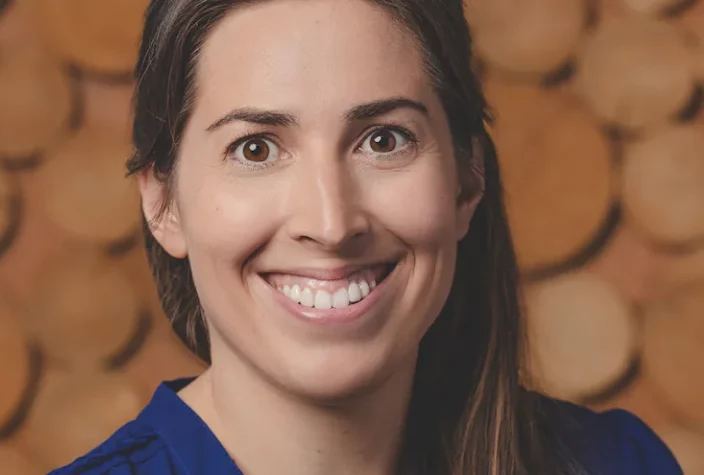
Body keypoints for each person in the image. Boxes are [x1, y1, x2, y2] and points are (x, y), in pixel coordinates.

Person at [50, 0, 683, 474]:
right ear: (165, 205)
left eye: (384, 140)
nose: (331, 223)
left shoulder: (617, 464)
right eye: (256, 148)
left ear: (466, 181)